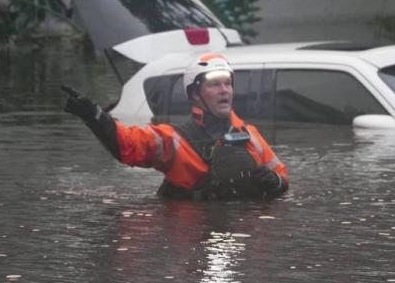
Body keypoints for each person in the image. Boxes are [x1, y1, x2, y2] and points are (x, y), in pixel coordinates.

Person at [62, 52, 289, 200]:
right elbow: (127, 144)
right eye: (215, 84)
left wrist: (276, 182)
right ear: (195, 94)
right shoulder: (173, 139)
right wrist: (93, 114)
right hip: (190, 240)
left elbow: (282, 177)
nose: (224, 90)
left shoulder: (250, 135)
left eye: (228, 84)